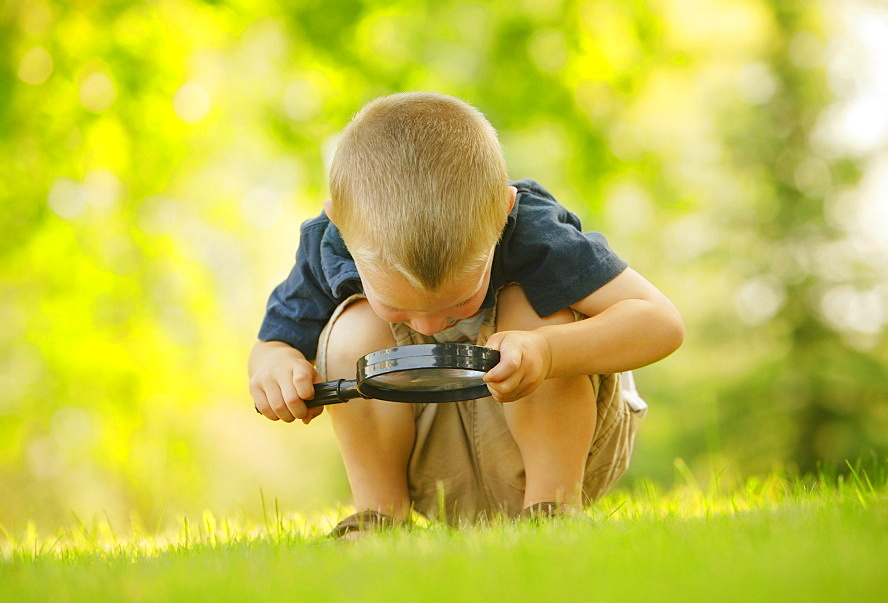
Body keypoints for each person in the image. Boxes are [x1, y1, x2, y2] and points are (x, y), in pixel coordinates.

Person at [248, 92, 683, 538]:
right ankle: (379, 515)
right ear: (338, 223)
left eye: (457, 302)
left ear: (503, 211)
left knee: (531, 307)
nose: (429, 326)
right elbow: (272, 344)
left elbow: (660, 323)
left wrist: (547, 351)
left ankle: (552, 510)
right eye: (399, 306)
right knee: (354, 324)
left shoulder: (535, 231)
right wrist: (277, 368)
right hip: (428, 460)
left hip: (556, 447)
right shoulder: (329, 243)